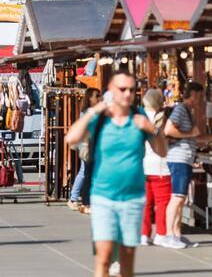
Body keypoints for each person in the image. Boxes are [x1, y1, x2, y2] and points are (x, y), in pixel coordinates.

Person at [66, 71, 167, 277]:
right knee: (104, 258)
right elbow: (72, 138)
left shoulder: (139, 118)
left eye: (131, 89)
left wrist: (154, 130)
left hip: (133, 198)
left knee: (126, 262)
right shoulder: (101, 119)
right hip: (103, 196)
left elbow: (162, 151)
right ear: (112, 91)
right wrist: (94, 112)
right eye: (122, 89)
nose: (127, 94)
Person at [160, 81, 212, 249]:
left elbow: (197, 138)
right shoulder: (181, 110)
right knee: (177, 197)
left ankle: (176, 234)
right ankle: (169, 234)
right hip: (179, 158)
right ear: (194, 95)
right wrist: (190, 133)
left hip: (185, 158)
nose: (202, 99)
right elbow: (169, 130)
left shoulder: (187, 112)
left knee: (180, 198)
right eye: (201, 96)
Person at [141, 89, 172, 246]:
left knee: (146, 203)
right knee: (162, 202)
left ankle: (144, 234)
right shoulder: (162, 118)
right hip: (160, 165)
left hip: (143, 164)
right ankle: (161, 232)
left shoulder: (139, 117)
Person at [69, 87, 101, 213]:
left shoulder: (93, 111)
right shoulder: (88, 113)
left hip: (91, 145)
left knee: (86, 172)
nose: (99, 98)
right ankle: (74, 198)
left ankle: (77, 197)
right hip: (87, 145)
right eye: (96, 96)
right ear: (90, 98)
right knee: (84, 172)